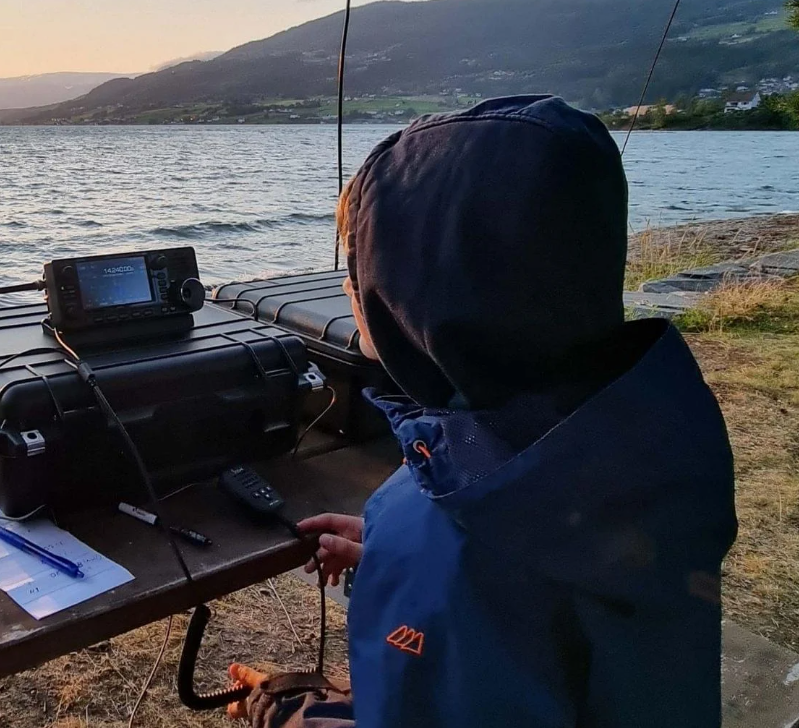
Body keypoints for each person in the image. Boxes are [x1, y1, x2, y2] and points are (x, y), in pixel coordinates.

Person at [225, 95, 739, 727]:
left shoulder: (483, 498)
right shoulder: (634, 429)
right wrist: (398, 553)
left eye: (358, 271)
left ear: (411, 294)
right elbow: (530, 615)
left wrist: (283, 708)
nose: (347, 289)